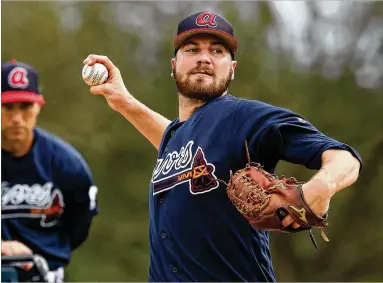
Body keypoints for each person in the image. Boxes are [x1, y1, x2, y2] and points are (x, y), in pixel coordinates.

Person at [83, 11, 362, 282]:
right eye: (192, 50)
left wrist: (322, 186)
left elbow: (343, 158)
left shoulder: (243, 118)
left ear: (232, 68)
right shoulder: (177, 137)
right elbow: (178, 141)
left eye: (217, 51)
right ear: (173, 65)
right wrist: (123, 102)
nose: (204, 58)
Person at [1, 59, 99, 282]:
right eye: (7, 107)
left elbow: (79, 224)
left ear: (37, 106)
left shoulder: (66, 164)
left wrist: (47, 251)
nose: (16, 118)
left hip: (45, 274)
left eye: (25, 106)